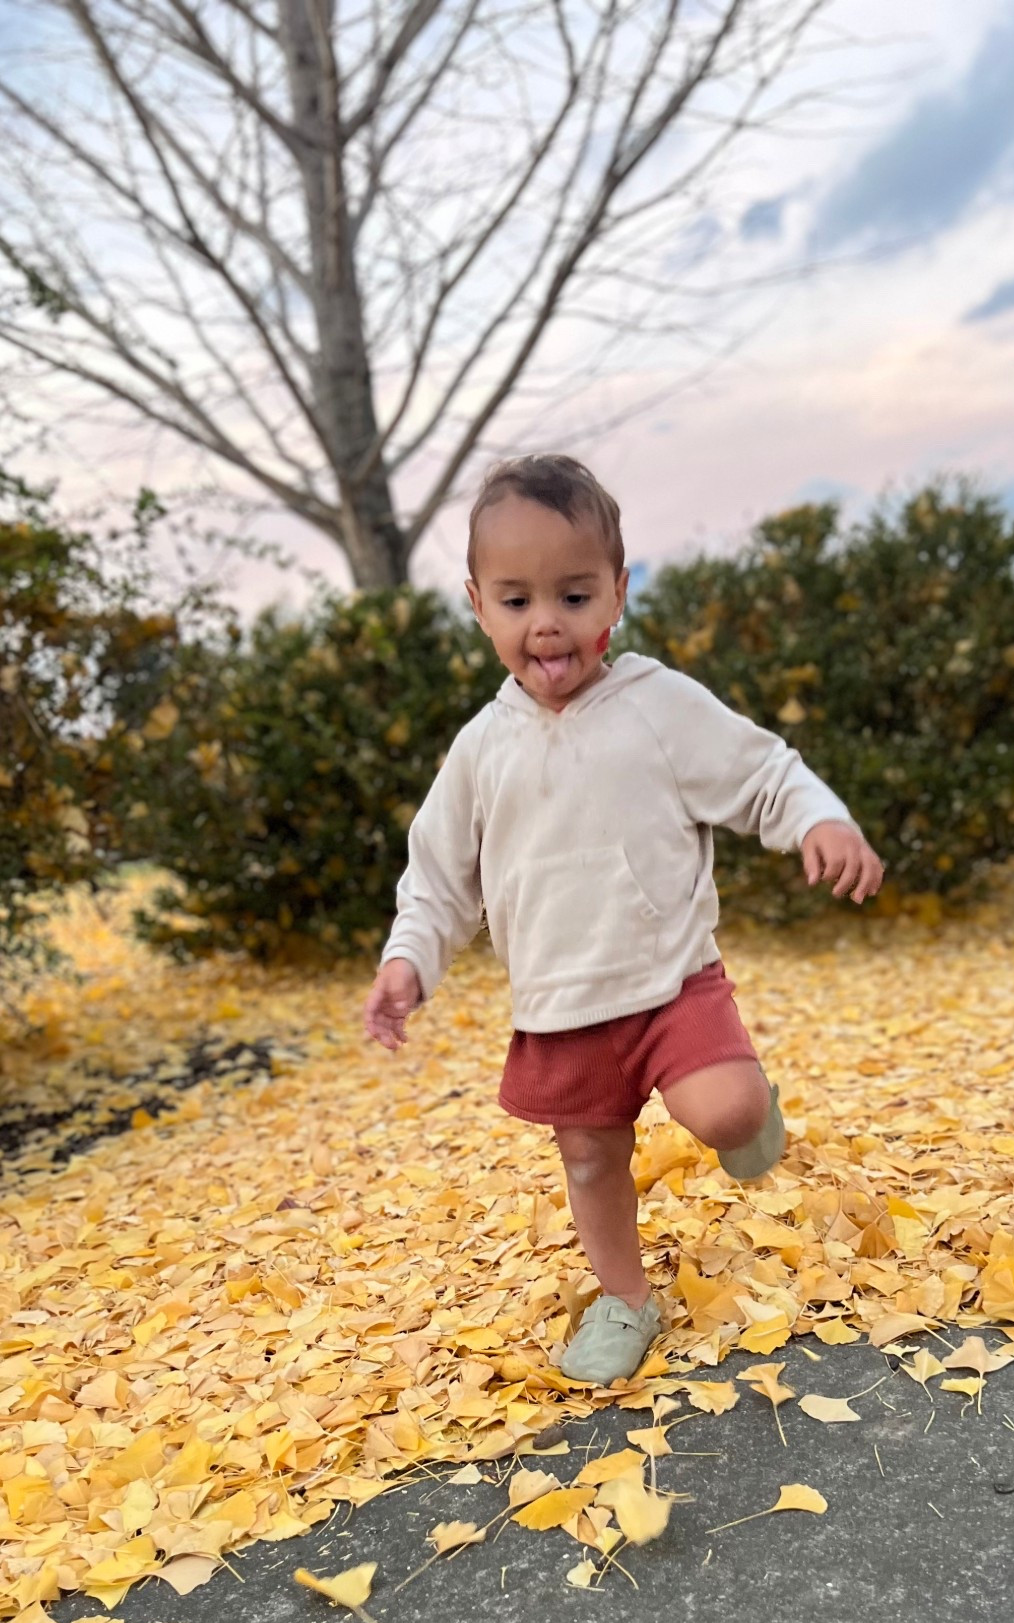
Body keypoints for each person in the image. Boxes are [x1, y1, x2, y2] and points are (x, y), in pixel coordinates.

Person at [363, 454, 883, 1386]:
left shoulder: (657, 706)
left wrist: (818, 818)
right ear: (479, 606)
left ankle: (748, 1112)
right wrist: (410, 961)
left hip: (669, 980)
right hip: (561, 1006)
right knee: (591, 1159)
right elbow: (439, 876)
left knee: (724, 1113)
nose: (547, 623)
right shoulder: (481, 751)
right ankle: (625, 1297)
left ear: (617, 595)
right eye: (517, 602)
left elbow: (758, 771)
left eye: (573, 594)